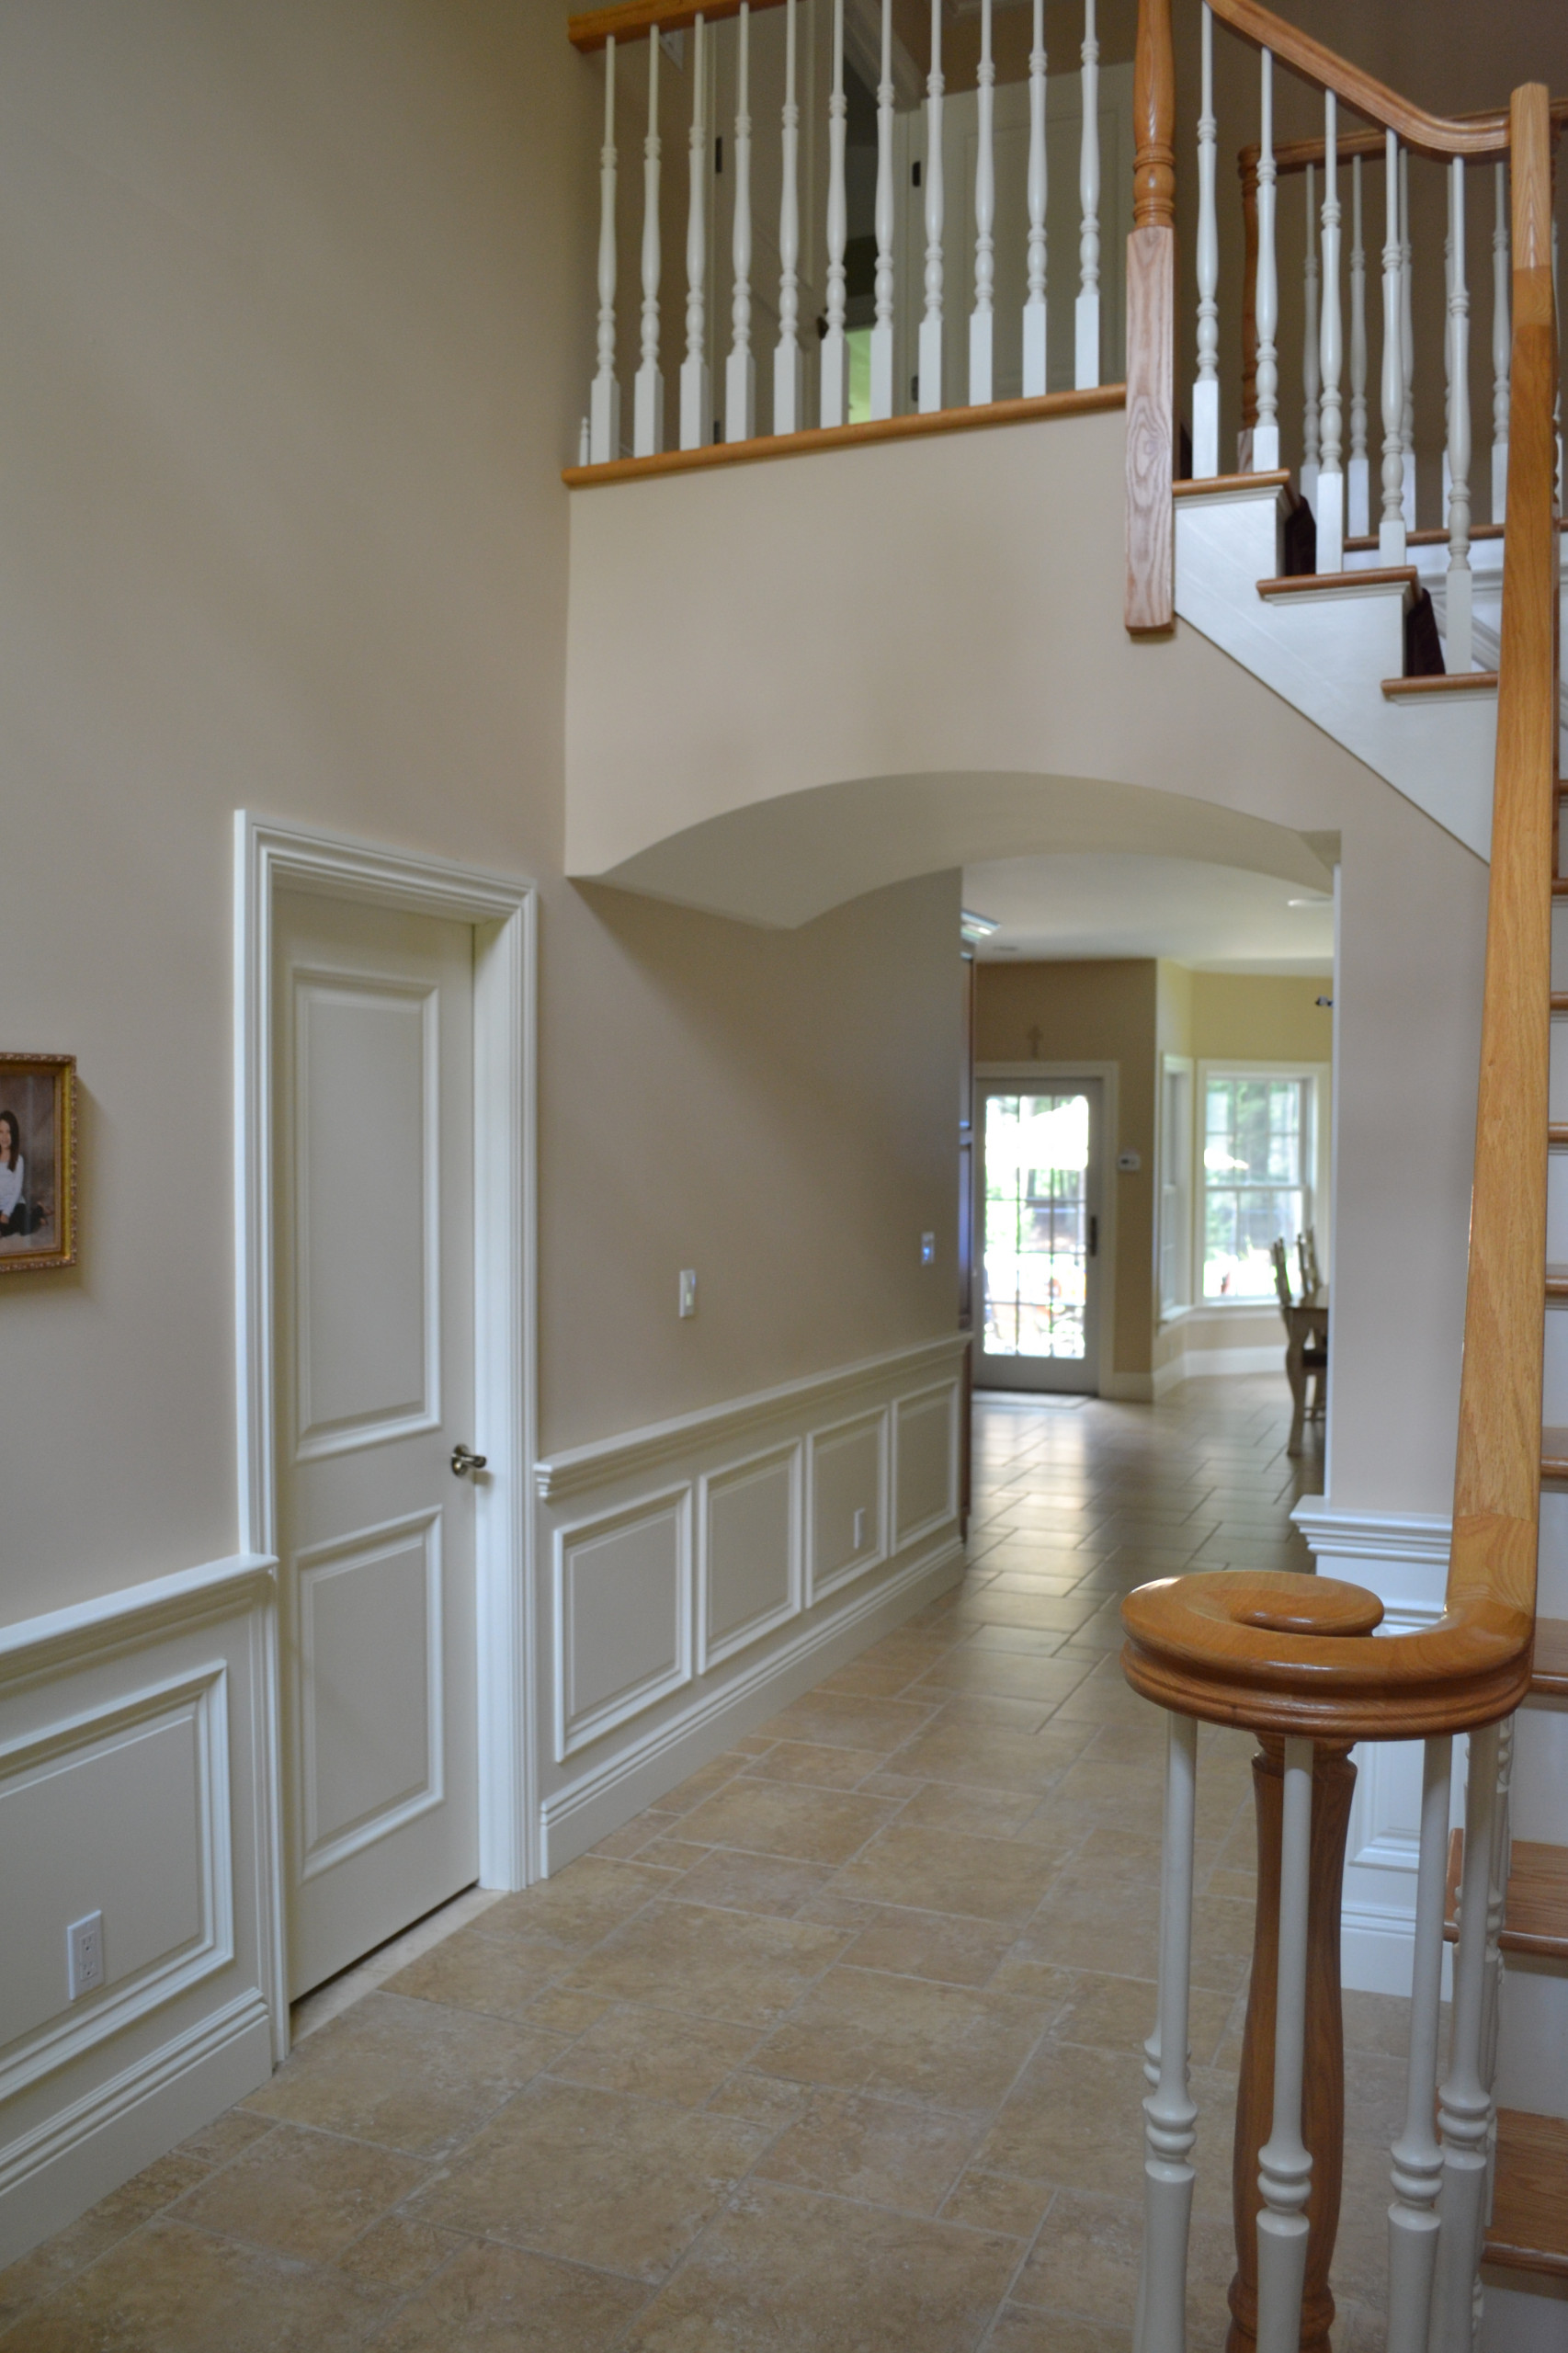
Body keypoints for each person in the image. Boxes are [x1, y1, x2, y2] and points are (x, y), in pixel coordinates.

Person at [0, 1108, 39, 1237]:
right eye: (1, 1132)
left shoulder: (18, 1160)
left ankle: (38, 1211)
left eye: (9, 1132)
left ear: (14, 1134)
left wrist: (6, 1213)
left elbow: (17, 1190)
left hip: (15, 1205)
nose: (4, 1137)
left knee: (24, 1228)